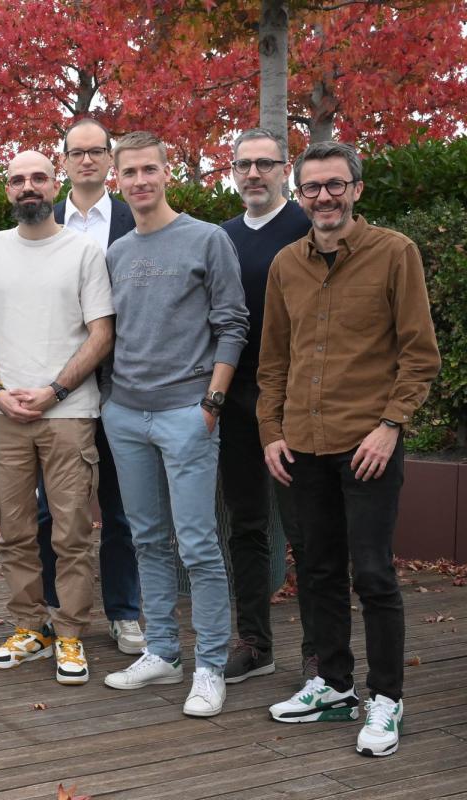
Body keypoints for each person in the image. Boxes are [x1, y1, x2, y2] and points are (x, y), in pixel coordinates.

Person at [260, 141, 439, 758]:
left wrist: (390, 426)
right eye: (311, 188)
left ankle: (385, 699)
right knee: (316, 571)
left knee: (373, 573)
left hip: (368, 445)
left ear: (356, 190)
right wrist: (271, 431)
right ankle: (332, 686)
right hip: (301, 445)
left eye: (334, 185)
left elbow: (419, 355)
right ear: (300, 194)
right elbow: (273, 360)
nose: (323, 198)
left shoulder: (395, 254)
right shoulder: (287, 263)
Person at [99, 131, 248, 719]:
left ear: (167, 173)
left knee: (198, 545)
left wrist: (211, 404)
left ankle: (211, 665)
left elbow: (232, 324)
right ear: (119, 181)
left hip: (189, 412)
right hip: (126, 414)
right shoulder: (114, 253)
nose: (139, 181)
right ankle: (162, 651)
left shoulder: (206, 240)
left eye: (148, 169)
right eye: (129, 172)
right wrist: (112, 400)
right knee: (146, 539)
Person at [0, 150, 114, 685]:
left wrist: (55, 390)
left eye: (37, 177)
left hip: (69, 414)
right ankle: (29, 627)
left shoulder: (83, 251)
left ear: (55, 184)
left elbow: (102, 332)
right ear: (7, 190)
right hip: (3, 413)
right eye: (16, 180)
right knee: (14, 530)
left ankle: (71, 634)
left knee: (72, 532)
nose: (28, 186)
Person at [41, 118, 145, 656]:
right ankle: (47, 612)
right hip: (56, 389)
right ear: (62, 161)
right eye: (76, 152)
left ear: (110, 160)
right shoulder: (43, 221)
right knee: (49, 510)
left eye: (96, 151)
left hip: (121, 384)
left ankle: (125, 613)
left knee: (121, 509)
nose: (86, 161)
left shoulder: (135, 220)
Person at [218, 128, 313, 686]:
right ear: (231, 173)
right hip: (236, 399)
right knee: (246, 522)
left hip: (298, 400)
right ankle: (254, 641)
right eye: (243, 165)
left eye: (265, 164)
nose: (253, 174)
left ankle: (321, 652)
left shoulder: (308, 228)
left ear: (285, 170)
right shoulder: (222, 237)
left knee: (308, 527)